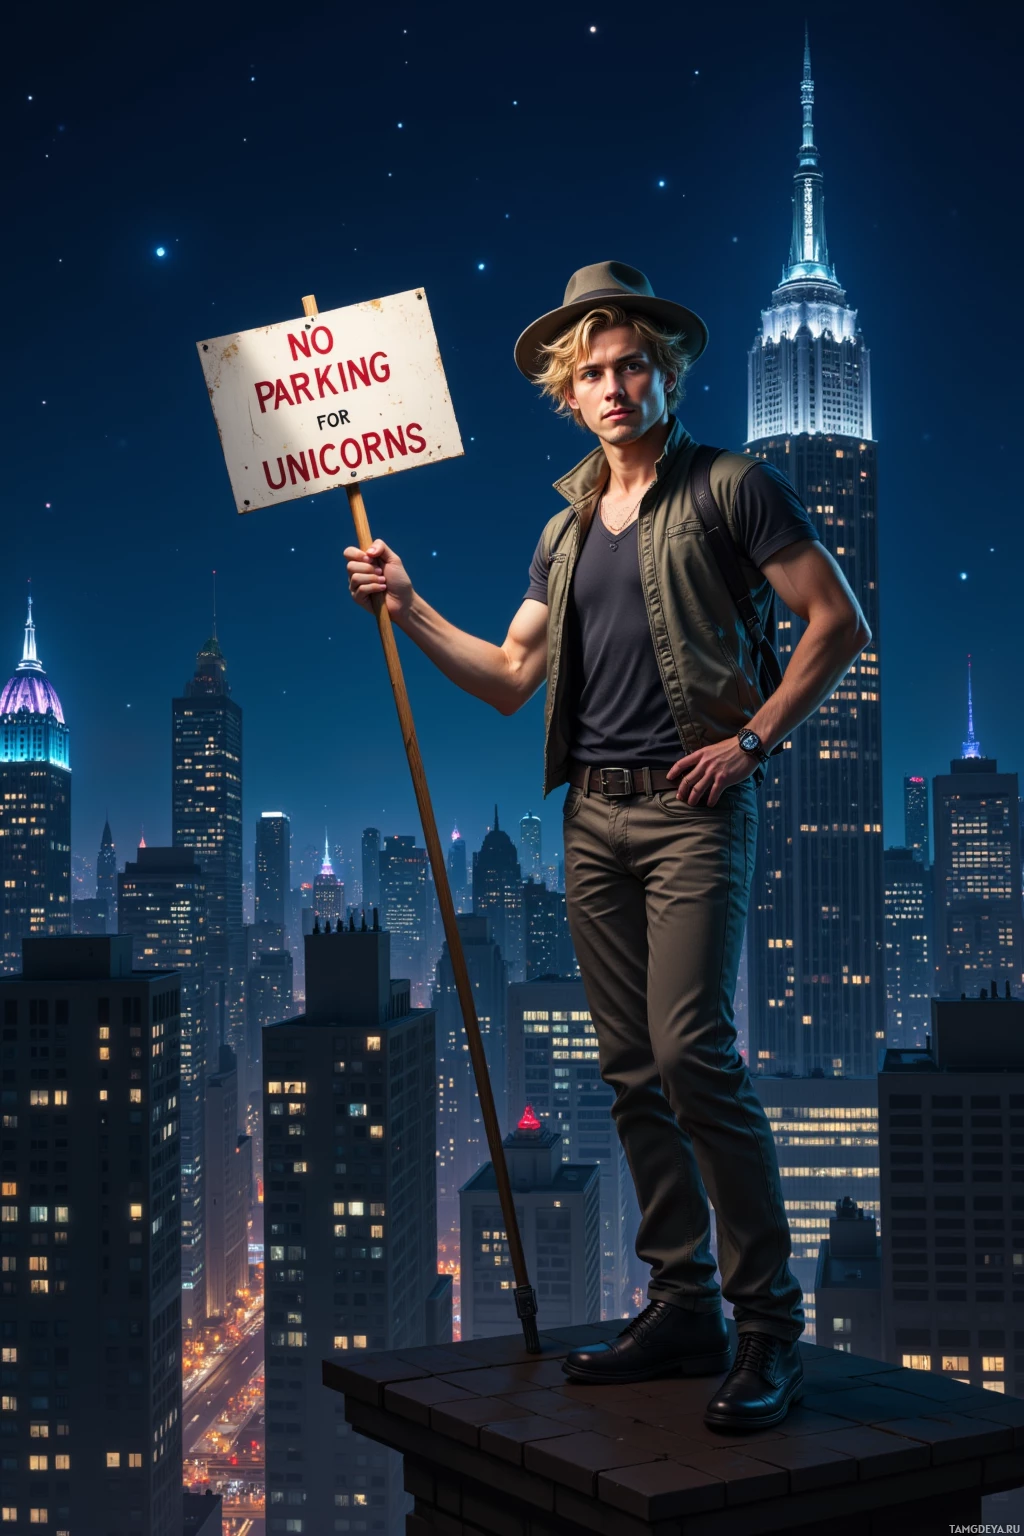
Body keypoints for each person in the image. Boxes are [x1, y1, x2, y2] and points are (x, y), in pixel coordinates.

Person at [344, 261, 871, 1430]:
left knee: (694, 1055)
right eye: (591, 372)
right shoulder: (564, 529)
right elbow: (509, 679)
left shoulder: (734, 488)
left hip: (691, 807)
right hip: (590, 815)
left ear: (668, 374)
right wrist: (408, 601)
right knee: (630, 1071)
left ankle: (768, 1325)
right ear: (566, 393)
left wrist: (752, 739)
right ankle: (684, 1307)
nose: (615, 384)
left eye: (633, 363)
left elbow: (836, 621)